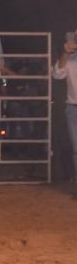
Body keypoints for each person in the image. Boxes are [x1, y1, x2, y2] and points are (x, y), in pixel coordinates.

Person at [53, 33, 77, 195]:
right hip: (73, 108)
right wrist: (65, 53)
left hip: (72, 109)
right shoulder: (70, 59)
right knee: (76, 149)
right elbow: (57, 73)